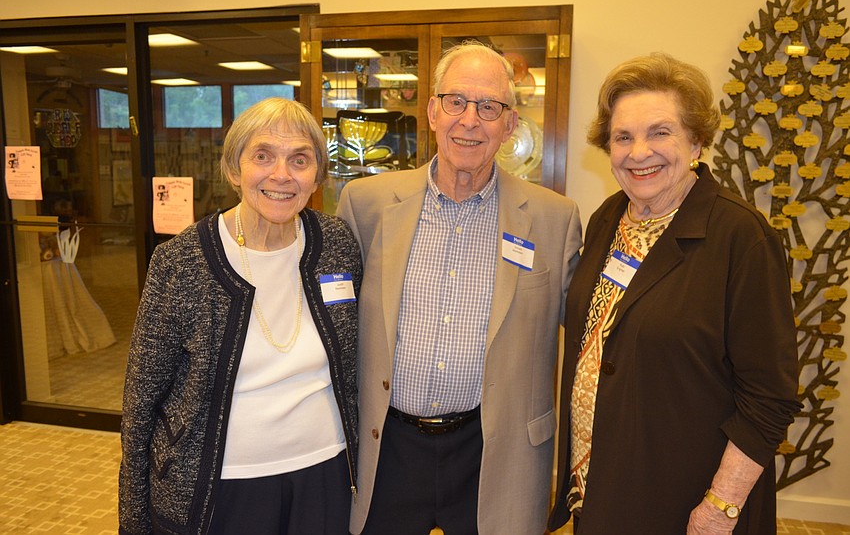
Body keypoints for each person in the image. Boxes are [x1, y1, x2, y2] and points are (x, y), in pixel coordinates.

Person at [548, 53, 802, 534]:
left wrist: (717, 510)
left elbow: (770, 398)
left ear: (697, 140)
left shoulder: (741, 238)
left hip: (684, 502)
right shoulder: (608, 218)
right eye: (623, 137)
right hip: (601, 489)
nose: (638, 152)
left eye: (660, 132)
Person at [337, 41, 582, 535]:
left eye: (489, 107)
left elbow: (591, 337)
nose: (470, 120)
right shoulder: (365, 205)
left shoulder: (554, 220)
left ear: (510, 124)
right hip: (389, 446)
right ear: (432, 111)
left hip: (496, 449)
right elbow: (332, 325)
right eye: (456, 102)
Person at [119, 97, 361, 535]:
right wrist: (134, 521)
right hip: (221, 487)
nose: (282, 174)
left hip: (325, 473)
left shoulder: (337, 244)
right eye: (263, 156)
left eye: (300, 159)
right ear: (234, 169)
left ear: (317, 176)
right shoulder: (182, 262)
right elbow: (140, 405)